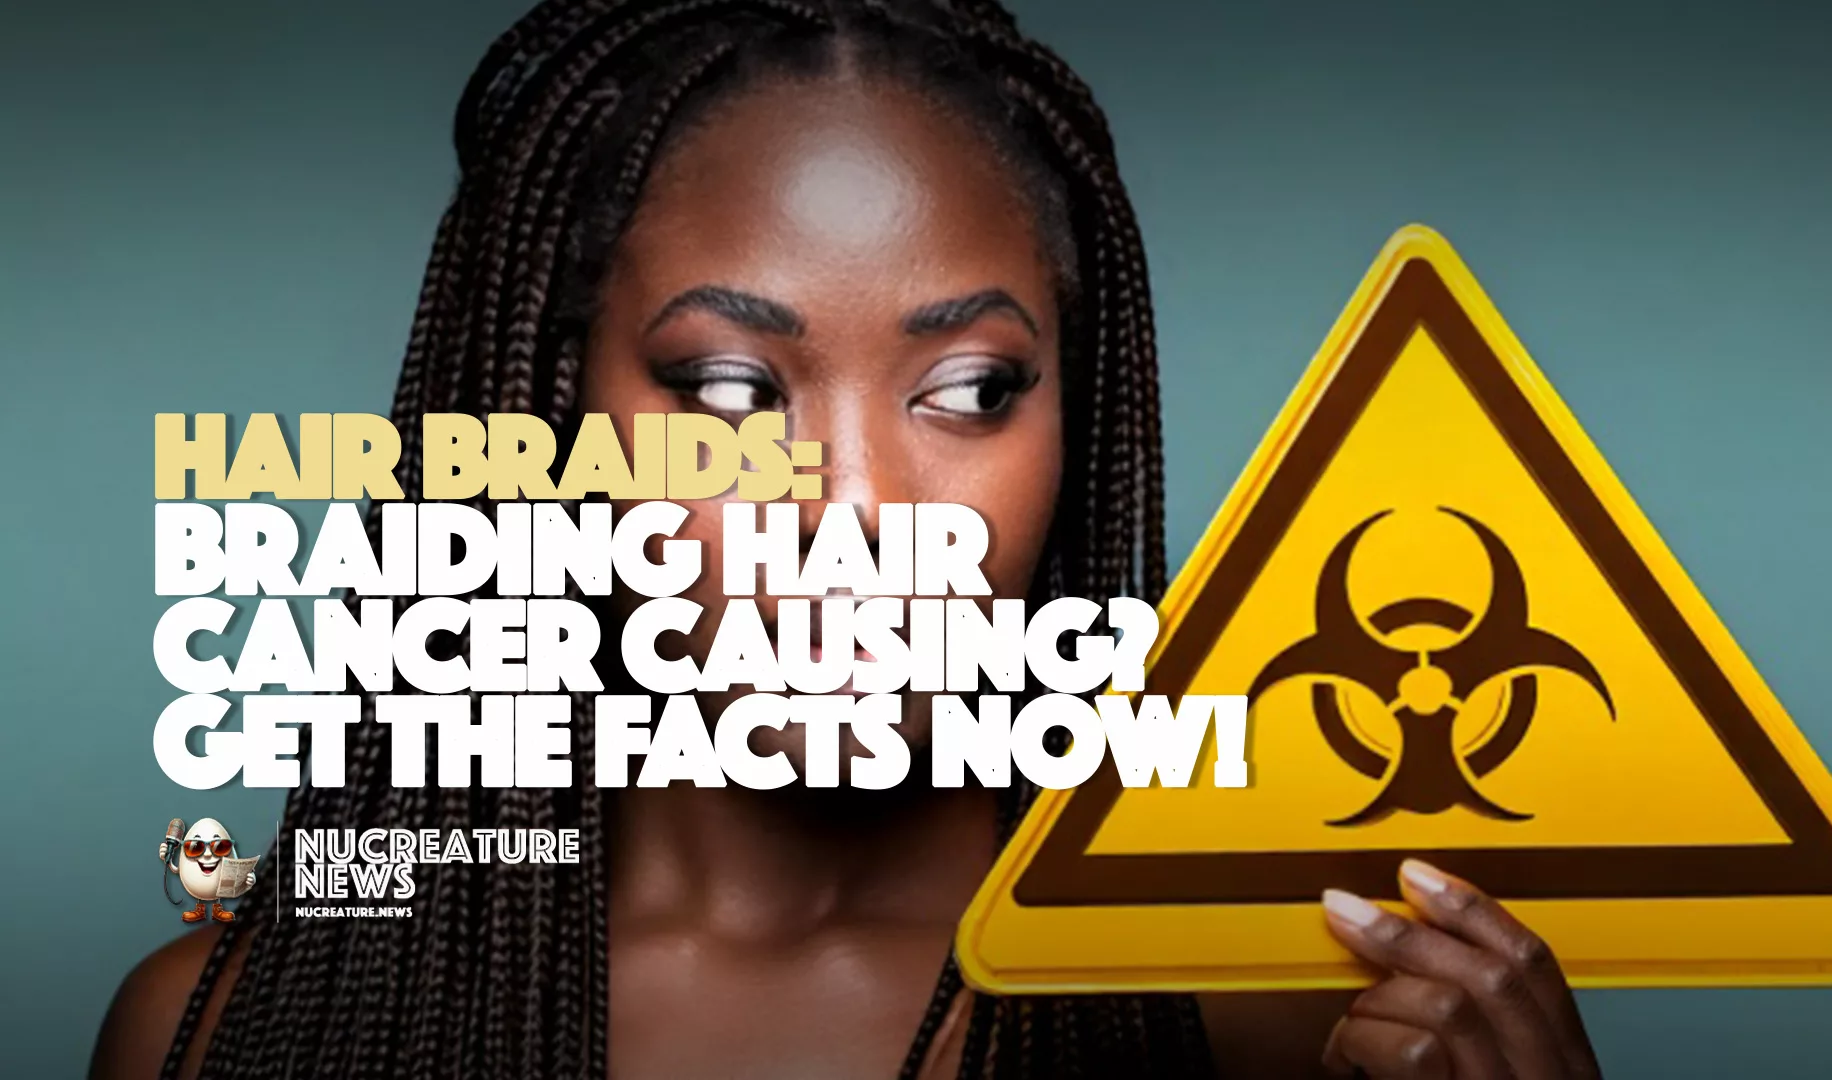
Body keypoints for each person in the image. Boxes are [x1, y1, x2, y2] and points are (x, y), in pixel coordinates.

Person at [92, 1, 1605, 1076]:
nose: (860, 515)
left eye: (970, 392)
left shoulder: (1277, 1026)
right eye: (734, 390)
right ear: (546, 422)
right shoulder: (227, 1035)